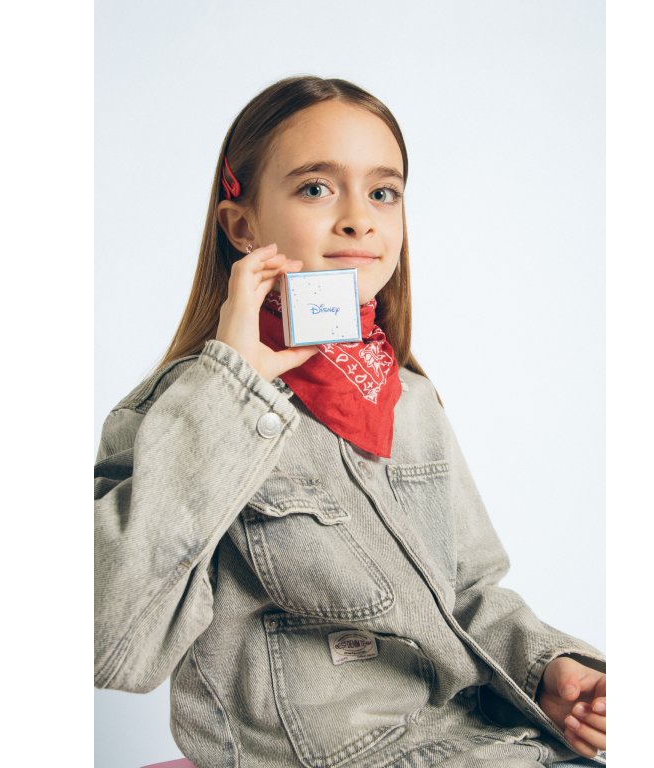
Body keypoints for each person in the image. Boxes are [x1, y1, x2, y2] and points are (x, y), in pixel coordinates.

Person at [95, 75, 606, 768]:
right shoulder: (177, 411)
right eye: (316, 188)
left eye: (383, 192)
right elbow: (109, 640)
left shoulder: (409, 398)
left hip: (480, 743)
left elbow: (469, 596)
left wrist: (549, 673)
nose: (359, 219)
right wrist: (231, 393)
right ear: (242, 227)